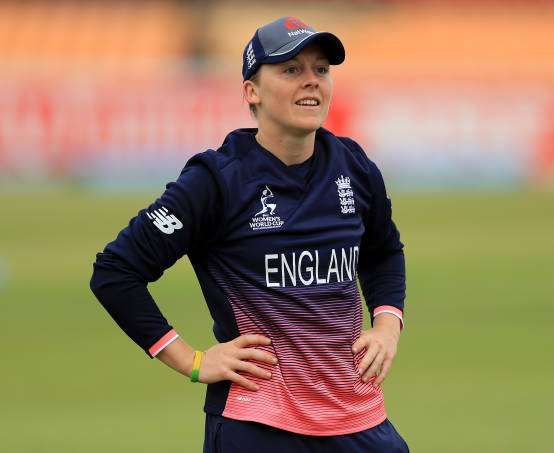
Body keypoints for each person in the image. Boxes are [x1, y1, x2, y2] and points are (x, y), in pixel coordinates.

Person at [90, 16, 409, 452]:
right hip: (258, 425)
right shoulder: (217, 181)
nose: (312, 82)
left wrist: (387, 324)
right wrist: (191, 360)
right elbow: (115, 271)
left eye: (321, 69)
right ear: (251, 92)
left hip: (359, 420)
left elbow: (383, 250)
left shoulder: (353, 167)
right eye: (291, 70)